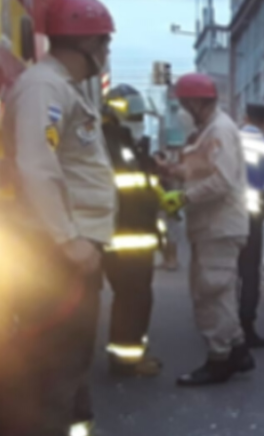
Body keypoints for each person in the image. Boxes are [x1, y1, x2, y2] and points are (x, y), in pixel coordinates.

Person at [1, 0, 127, 436]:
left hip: (70, 247)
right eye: (104, 43)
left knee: (72, 358)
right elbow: (36, 164)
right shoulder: (44, 87)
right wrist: (67, 238)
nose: (106, 51)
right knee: (48, 364)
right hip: (52, 251)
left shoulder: (67, 87)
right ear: (85, 44)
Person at [154, 73, 255, 387]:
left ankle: (219, 358)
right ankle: (237, 350)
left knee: (213, 293)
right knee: (214, 291)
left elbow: (222, 181)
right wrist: (173, 171)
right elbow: (201, 171)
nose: (182, 110)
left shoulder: (220, 130)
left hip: (220, 225)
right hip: (211, 225)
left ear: (198, 103)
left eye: (184, 104)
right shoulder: (207, 132)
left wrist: (184, 197)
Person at [100, 84, 163, 377]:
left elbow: (141, 186)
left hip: (136, 235)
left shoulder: (126, 143)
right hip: (124, 237)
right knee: (132, 298)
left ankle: (133, 348)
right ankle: (126, 360)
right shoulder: (109, 142)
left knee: (137, 297)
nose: (138, 118)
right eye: (132, 111)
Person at [237, 103, 264, 349]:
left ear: (245, 118)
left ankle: (224, 325)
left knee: (226, 270)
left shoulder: (230, 139)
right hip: (252, 216)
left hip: (227, 214)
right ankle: (247, 326)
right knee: (249, 272)